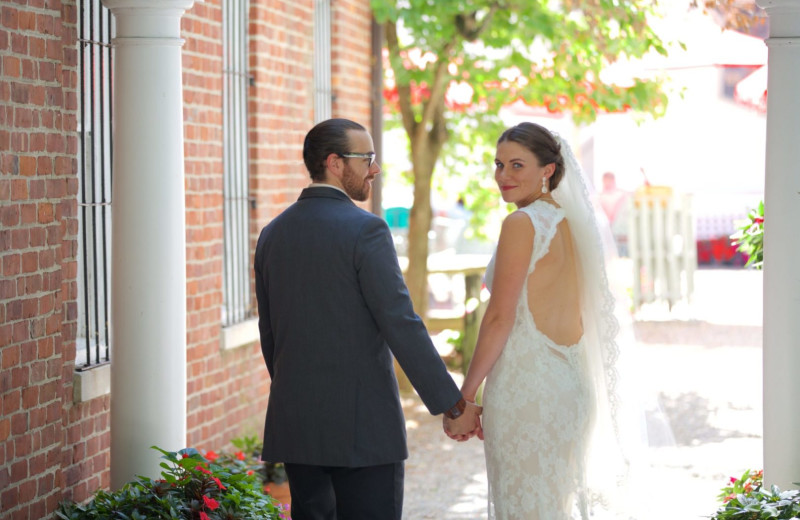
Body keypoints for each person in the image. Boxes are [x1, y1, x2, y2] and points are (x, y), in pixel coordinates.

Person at [254, 118, 481, 520]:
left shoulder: (273, 233)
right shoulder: (367, 230)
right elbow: (401, 324)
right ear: (335, 163)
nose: (375, 169)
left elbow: (270, 336)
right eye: (368, 158)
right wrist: (452, 404)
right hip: (364, 431)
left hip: (297, 427)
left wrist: (300, 397)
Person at [445, 122, 628, 519]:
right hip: (570, 388)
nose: (503, 177)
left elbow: (498, 318)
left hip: (528, 391)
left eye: (516, 165)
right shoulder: (571, 223)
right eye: (498, 165)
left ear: (547, 170)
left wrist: (465, 397)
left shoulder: (521, 224)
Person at [597, 171, 631, 256]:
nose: (605, 184)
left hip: (619, 233)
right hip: (616, 233)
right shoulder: (602, 196)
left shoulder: (620, 194)